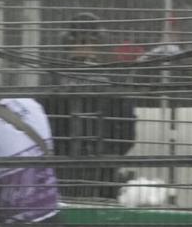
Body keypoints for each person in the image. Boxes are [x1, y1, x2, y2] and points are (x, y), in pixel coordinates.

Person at [42, 12, 136, 200]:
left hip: (91, 166)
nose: (83, 45)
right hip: (72, 167)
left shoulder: (55, 79)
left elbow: (127, 130)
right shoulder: (56, 78)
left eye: (87, 40)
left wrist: (109, 156)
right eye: (79, 40)